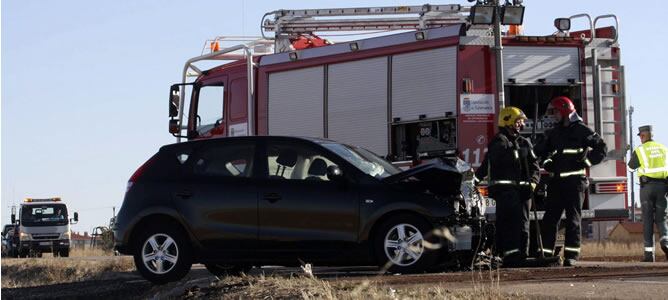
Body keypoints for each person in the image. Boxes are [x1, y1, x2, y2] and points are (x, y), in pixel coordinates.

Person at [535, 96, 607, 267]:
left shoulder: (582, 130)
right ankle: (546, 255)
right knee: (550, 220)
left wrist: (587, 162)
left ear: (565, 110)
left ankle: (571, 256)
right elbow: (541, 153)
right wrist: (547, 163)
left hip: (575, 183)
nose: (554, 116)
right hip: (556, 183)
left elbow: (601, 148)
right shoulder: (554, 132)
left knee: (573, 220)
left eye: (556, 112)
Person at [475, 106, 540, 267]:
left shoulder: (524, 142)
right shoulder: (499, 142)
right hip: (505, 192)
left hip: (523, 192)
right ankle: (510, 257)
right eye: (518, 121)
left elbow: (535, 167)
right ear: (507, 121)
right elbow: (493, 161)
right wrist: (474, 180)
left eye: (521, 122)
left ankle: (522, 256)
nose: (521, 124)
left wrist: (532, 183)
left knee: (523, 224)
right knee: (508, 225)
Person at [627, 125, 668, 262]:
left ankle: (649, 255)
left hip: (647, 189)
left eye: (640, 136)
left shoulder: (640, 150)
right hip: (663, 187)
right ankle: (666, 242)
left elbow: (631, 168)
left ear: (643, 136)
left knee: (648, 220)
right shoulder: (664, 149)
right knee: (662, 218)